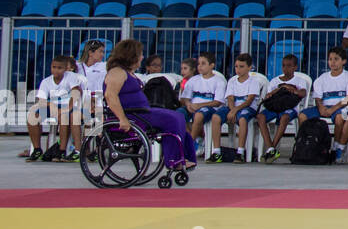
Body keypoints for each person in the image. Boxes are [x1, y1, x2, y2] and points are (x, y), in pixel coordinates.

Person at [102, 39, 196, 171]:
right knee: (174, 119)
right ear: (131, 55)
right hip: (133, 116)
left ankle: (184, 158)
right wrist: (122, 119)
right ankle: (175, 160)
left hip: (141, 113)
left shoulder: (128, 72)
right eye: (140, 54)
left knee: (178, 117)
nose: (142, 57)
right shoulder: (117, 72)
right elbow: (110, 96)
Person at [299, 47, 348, 163]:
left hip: (340, 107)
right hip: (324, 107)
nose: (333, 62)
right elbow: (318, 98)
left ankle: (336, 148)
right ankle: (305, 144)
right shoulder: (322, 78)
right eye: (330, 59)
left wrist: (333, 109)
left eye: (336, 59)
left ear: (344, 61)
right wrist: (321, 108)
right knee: (302, 116)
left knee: (340, 118)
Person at [26, 55, 83, 162]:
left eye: (59, 68)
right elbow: (40, 100)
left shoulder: (70, 76)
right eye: (53, 67)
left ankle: (62, 150)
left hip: (68, 107)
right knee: (32, 116)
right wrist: (51, 105)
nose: (56, 70)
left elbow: (76, 92)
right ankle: (37, 149)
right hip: (53, 107)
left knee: (64, 116)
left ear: (66, 68)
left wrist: (68, 107)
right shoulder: (46, 81)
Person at [257, 53, 311, 162]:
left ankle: (272, 148)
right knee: (260, 117)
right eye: (283, 65)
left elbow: (303, 93)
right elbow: (267, 96)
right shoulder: (275, 81)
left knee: (284, 118)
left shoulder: (300, 80)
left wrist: (291, 89)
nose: (285, 68)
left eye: (289, 65)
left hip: (289, 108)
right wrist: (276, 90)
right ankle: (271, 149)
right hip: (274, 106)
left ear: (295, 67)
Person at [183, 54, 227, 160]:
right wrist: (188, 104)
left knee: (199, 115)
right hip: (192, 107)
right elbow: (185, 97)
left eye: (203, 64)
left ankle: (188, 147)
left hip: (209, 108)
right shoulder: (193, 80)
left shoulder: (219, 81)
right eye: (198, 64)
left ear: (212, 65)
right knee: (178, 115)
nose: (199, 66)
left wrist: (199, 105)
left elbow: (217, 102)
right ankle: (197, 139)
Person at [223, 53, 263, 163]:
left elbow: (249, 100)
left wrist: (235, 110)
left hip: (248, 108)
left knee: (242, 119)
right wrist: (232, 110)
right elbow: (230, 98)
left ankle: (240, 152)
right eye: (236, 66)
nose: (238, 69)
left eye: (241, 67)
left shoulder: (253, 81)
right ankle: (216, 151)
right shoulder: (232, 81)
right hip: (233, 108)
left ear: (249, 67)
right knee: (216, 117)